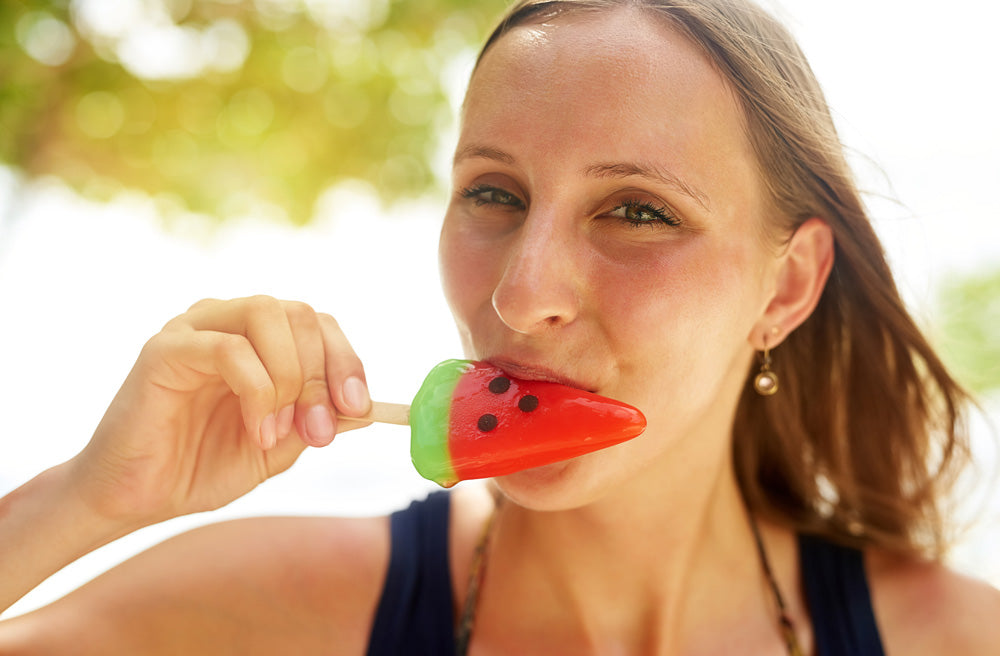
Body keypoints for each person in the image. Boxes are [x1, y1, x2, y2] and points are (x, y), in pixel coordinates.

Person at [1, 0, 998, 653]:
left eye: (638, 210)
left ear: (785, 288)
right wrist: (84, 498)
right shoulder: (276, 607)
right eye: (493, 192)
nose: (522, 295)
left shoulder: (957, 637)